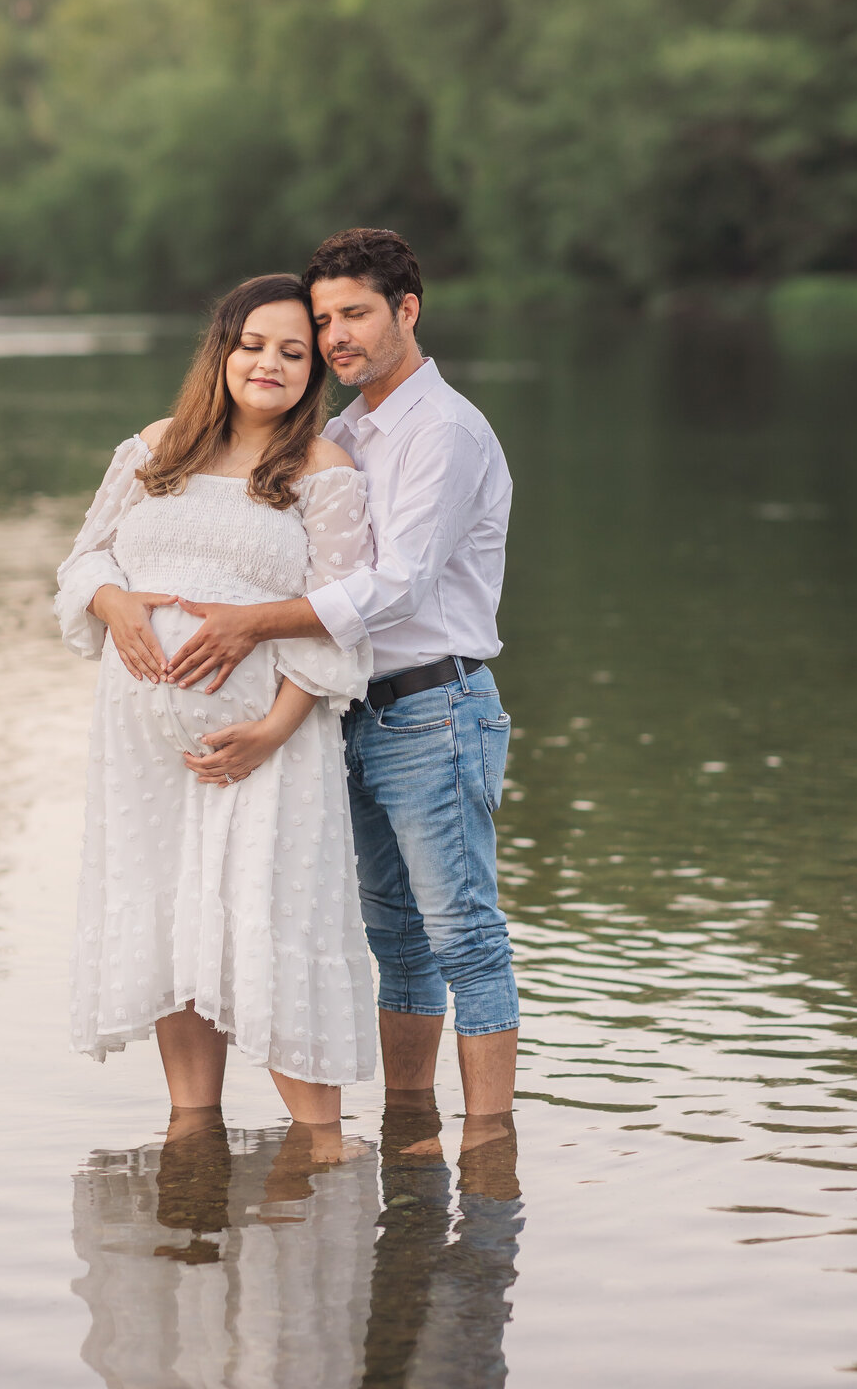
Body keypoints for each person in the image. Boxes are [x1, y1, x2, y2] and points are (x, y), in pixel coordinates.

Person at [163, 229, 520, 1124]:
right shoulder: (344, 433)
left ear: (408, 309)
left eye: (355, 315)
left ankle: (489, 1153)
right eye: (324, 321)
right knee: (393, 943)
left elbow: (396, 587)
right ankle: (410, 1130)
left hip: (437, 706)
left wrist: (250, 625)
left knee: (465, 940)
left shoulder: (444, 429)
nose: (336, 339)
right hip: (355, 714)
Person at [54, 274, 377, 1130]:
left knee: (265, 933)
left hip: (264, 754)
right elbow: (84, 563)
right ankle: (191, 1145)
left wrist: (271, 730)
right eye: (253, 345)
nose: (269, 363)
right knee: (174, 931)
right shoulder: (156, 448)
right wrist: (119, 606)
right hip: (143, 756)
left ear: (315, 371)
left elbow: (340, 618)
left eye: (294, 352)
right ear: (223, 351)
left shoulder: (324, 469)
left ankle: (322, 1157)